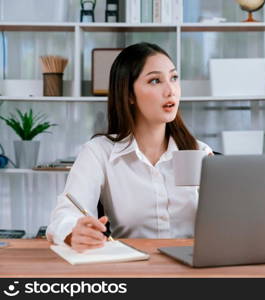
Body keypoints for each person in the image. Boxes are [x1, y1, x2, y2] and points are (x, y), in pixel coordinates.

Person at [46, 42, 213, 252]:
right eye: (155, 81)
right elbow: (64, 215)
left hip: (193, 267)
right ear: (129, 95)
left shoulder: (199, 152)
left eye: (174, 78)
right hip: (130, 265)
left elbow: (227, 221)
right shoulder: (99, 152)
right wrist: (73, 232)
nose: (170, 90)